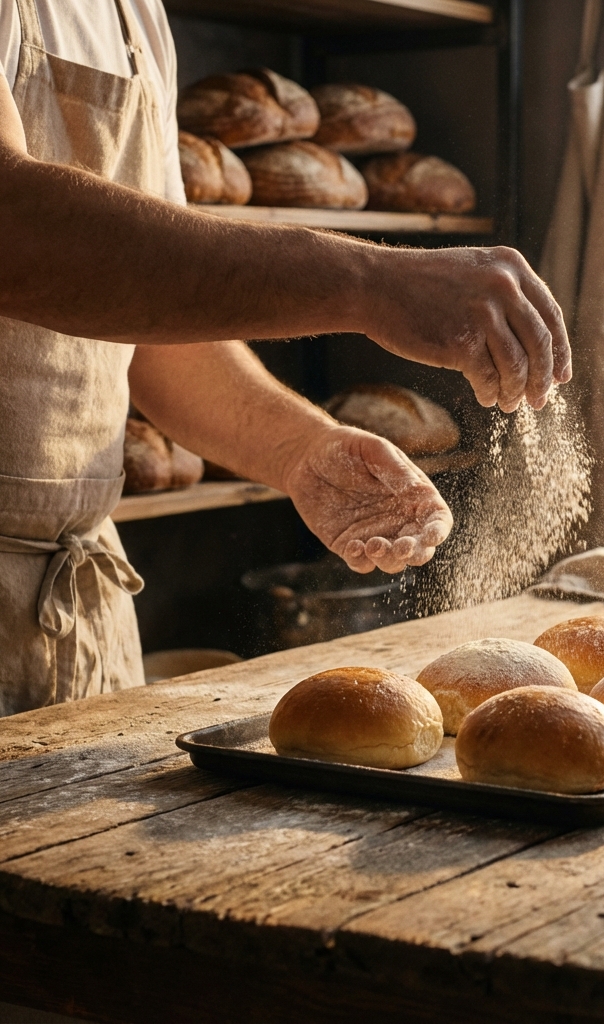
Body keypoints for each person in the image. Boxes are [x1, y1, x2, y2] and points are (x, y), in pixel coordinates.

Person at [0, 0, 570, 715]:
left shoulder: (133, 13)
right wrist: (372, 283)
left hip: (76, 603)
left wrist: (300, 447)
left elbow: (150, 323)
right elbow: (14, 231)